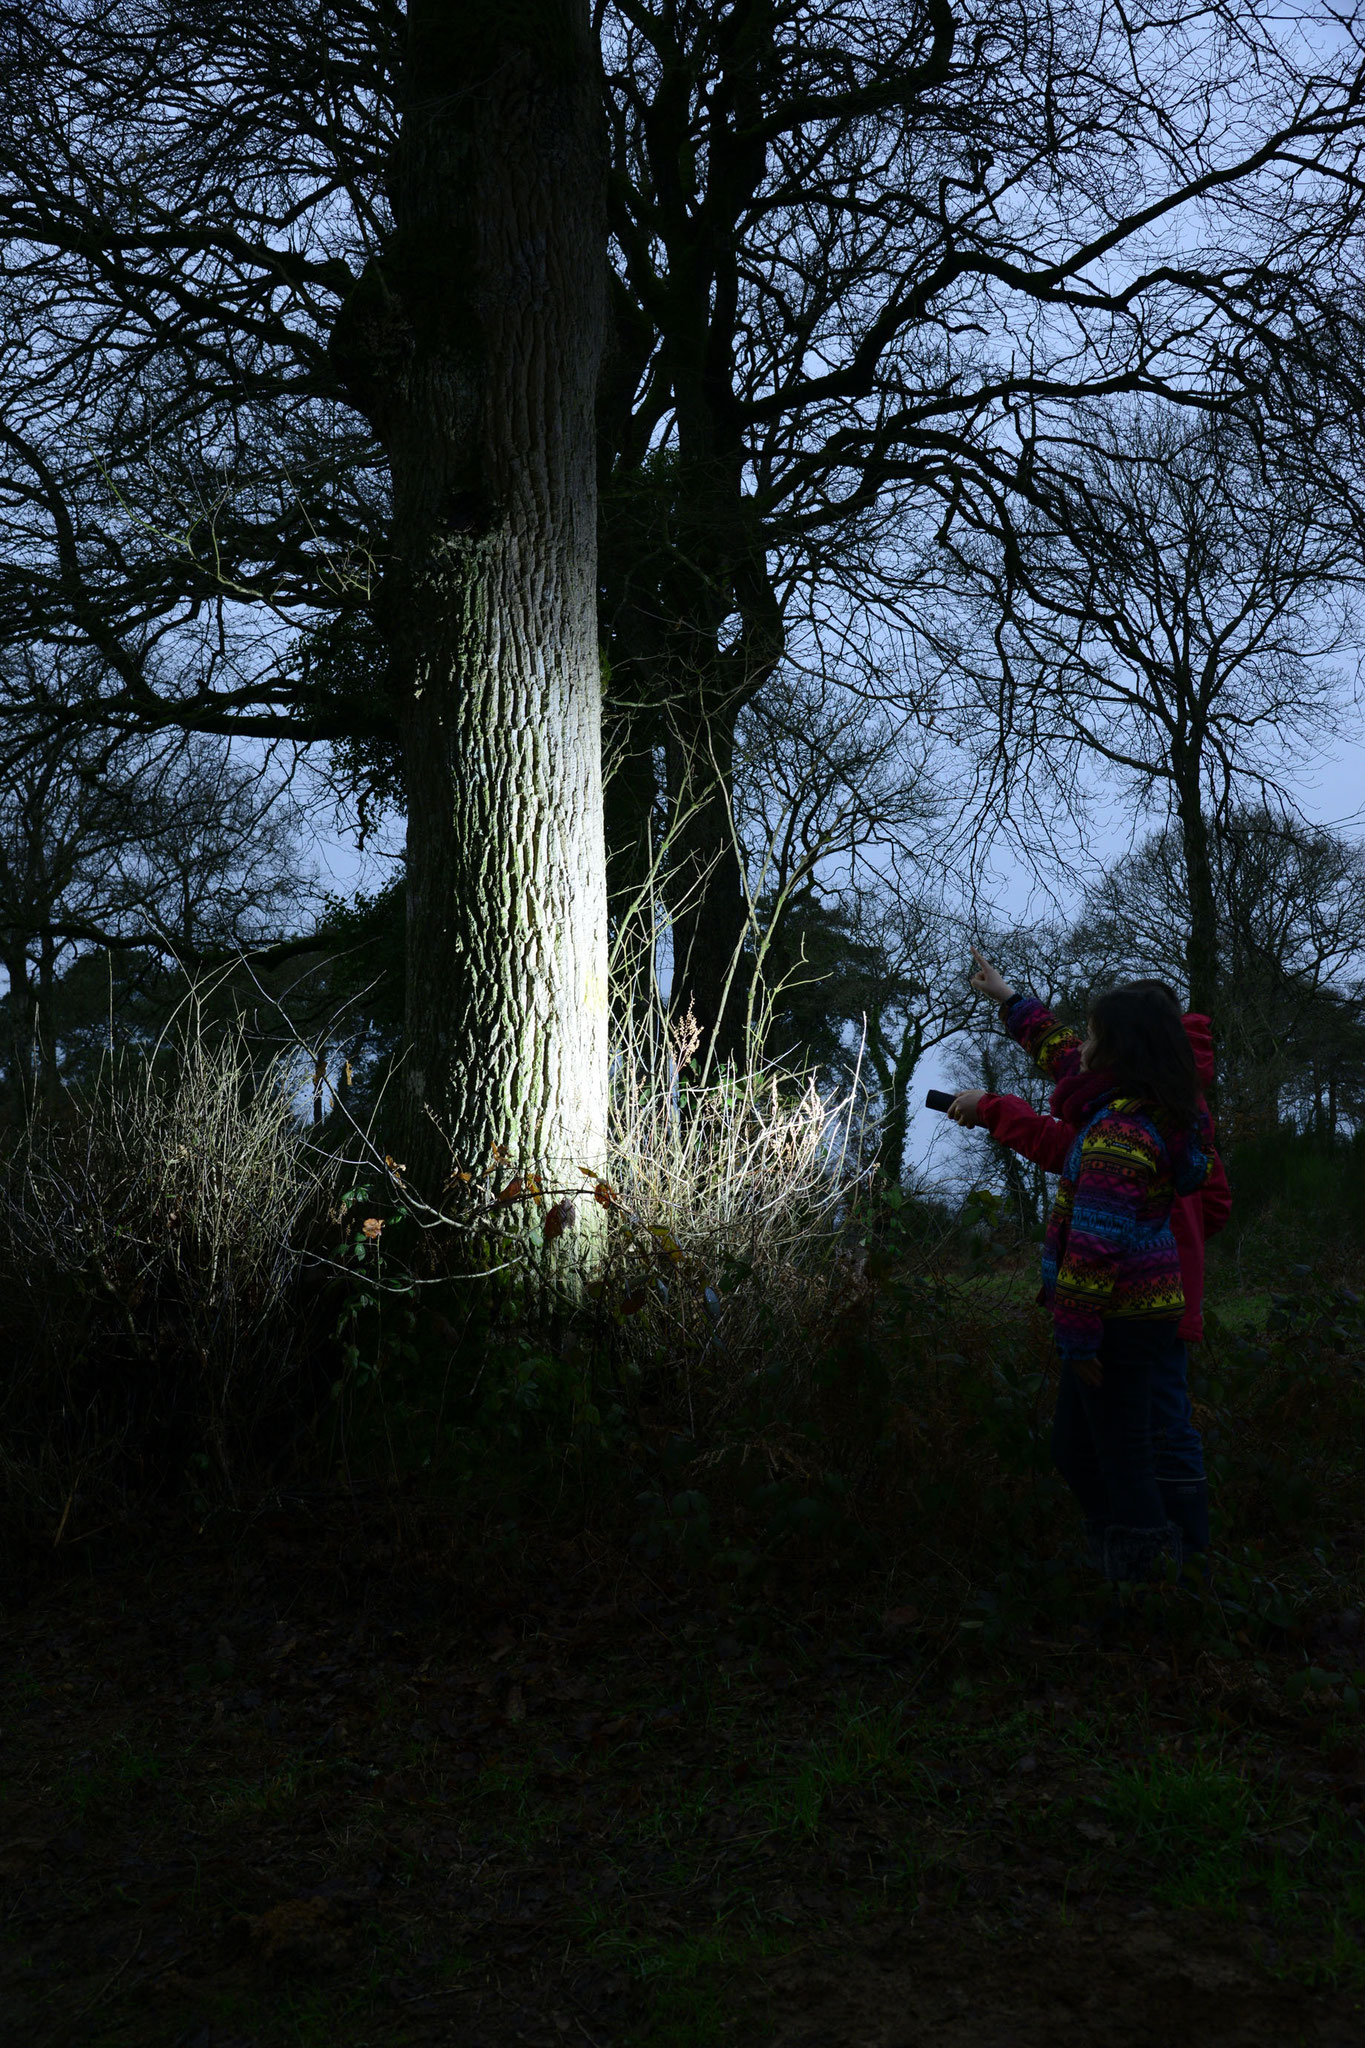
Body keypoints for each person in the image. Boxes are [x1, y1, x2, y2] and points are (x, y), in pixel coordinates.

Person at [949, 963, 1230, 1564]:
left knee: (1151, 1440)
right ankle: (1139, 1556)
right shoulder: (1158, 1097)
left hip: (1122, 1311)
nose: (1083, 1047)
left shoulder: (1121, 1127)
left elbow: (1095, 1243)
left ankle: (1167, 1567)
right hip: (1146, 1302)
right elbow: (1064, 1052)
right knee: (1103, 1443)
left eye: (1096, 1036)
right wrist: (1007, 996)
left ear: (1122, 1047)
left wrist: (1080, 1330)